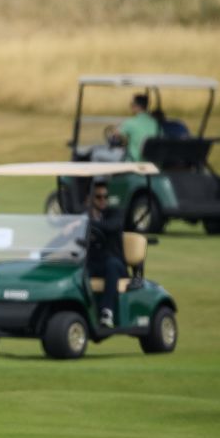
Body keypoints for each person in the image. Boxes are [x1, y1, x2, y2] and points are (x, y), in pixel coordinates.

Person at [86, 179, 127, 328]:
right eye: (98, 197)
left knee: (111, 264)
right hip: (93, 263)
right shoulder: (85, 216)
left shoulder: (115, 213)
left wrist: (86, 222)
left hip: (116, 264)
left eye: (105, 196)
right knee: (76, 271)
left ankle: (107, 312)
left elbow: (110, 227)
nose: (103, 200)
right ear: (90, 199)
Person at [96, 93, 160, 162]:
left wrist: (116, 132)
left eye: (132, 104)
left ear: (136, 106)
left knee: (96, 154)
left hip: (133, 161)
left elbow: (116, 135)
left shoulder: (130, 123)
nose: (131, 106)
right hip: (151, 162)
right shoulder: (156, 124)